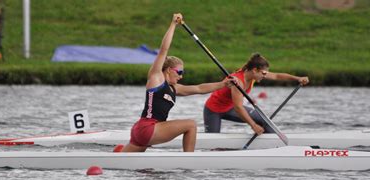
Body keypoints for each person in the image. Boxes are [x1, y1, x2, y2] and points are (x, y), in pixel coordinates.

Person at [121, 13, 233, 152]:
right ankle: (189, 160)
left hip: (141, 132)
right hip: (148, 128)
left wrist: (223, 84)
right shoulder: (156, 79)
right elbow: (163, 50)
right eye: (179, 72)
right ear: (168, 70)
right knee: (191, 125)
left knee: (129, 166)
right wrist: (173, 24)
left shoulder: (174, 88)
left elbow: (198, 88)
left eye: (182, 73)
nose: (181, 76)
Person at [203, 53, 309, 135]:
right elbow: (238, 107)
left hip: (229, 108)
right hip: (213, 111)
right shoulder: (238, 81)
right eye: (263, 73)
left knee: (265, 120)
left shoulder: (254, 75)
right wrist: (253, 125)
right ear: (254, 70)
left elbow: (277, 76)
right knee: (213, 143)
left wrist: (297, 78)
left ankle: (273, 147)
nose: (264, 76)